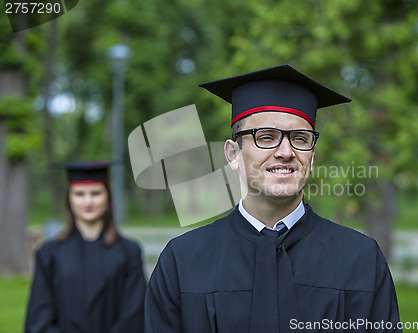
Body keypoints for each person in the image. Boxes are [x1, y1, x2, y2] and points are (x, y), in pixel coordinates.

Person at [145, 64, 402, 332]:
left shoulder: (360, 259)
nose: (285, 152)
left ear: (311, 158)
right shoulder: (183, 261)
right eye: (266, 137)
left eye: (300, 139)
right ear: (233, 154)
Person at [25, 161, 146, 333]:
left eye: (96, 193)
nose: (88, 201)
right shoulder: (49, 254)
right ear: (69, 199)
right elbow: (39, 319)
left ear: (107, 197)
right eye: (79, 194)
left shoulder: (129, 252)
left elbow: (134, 315)